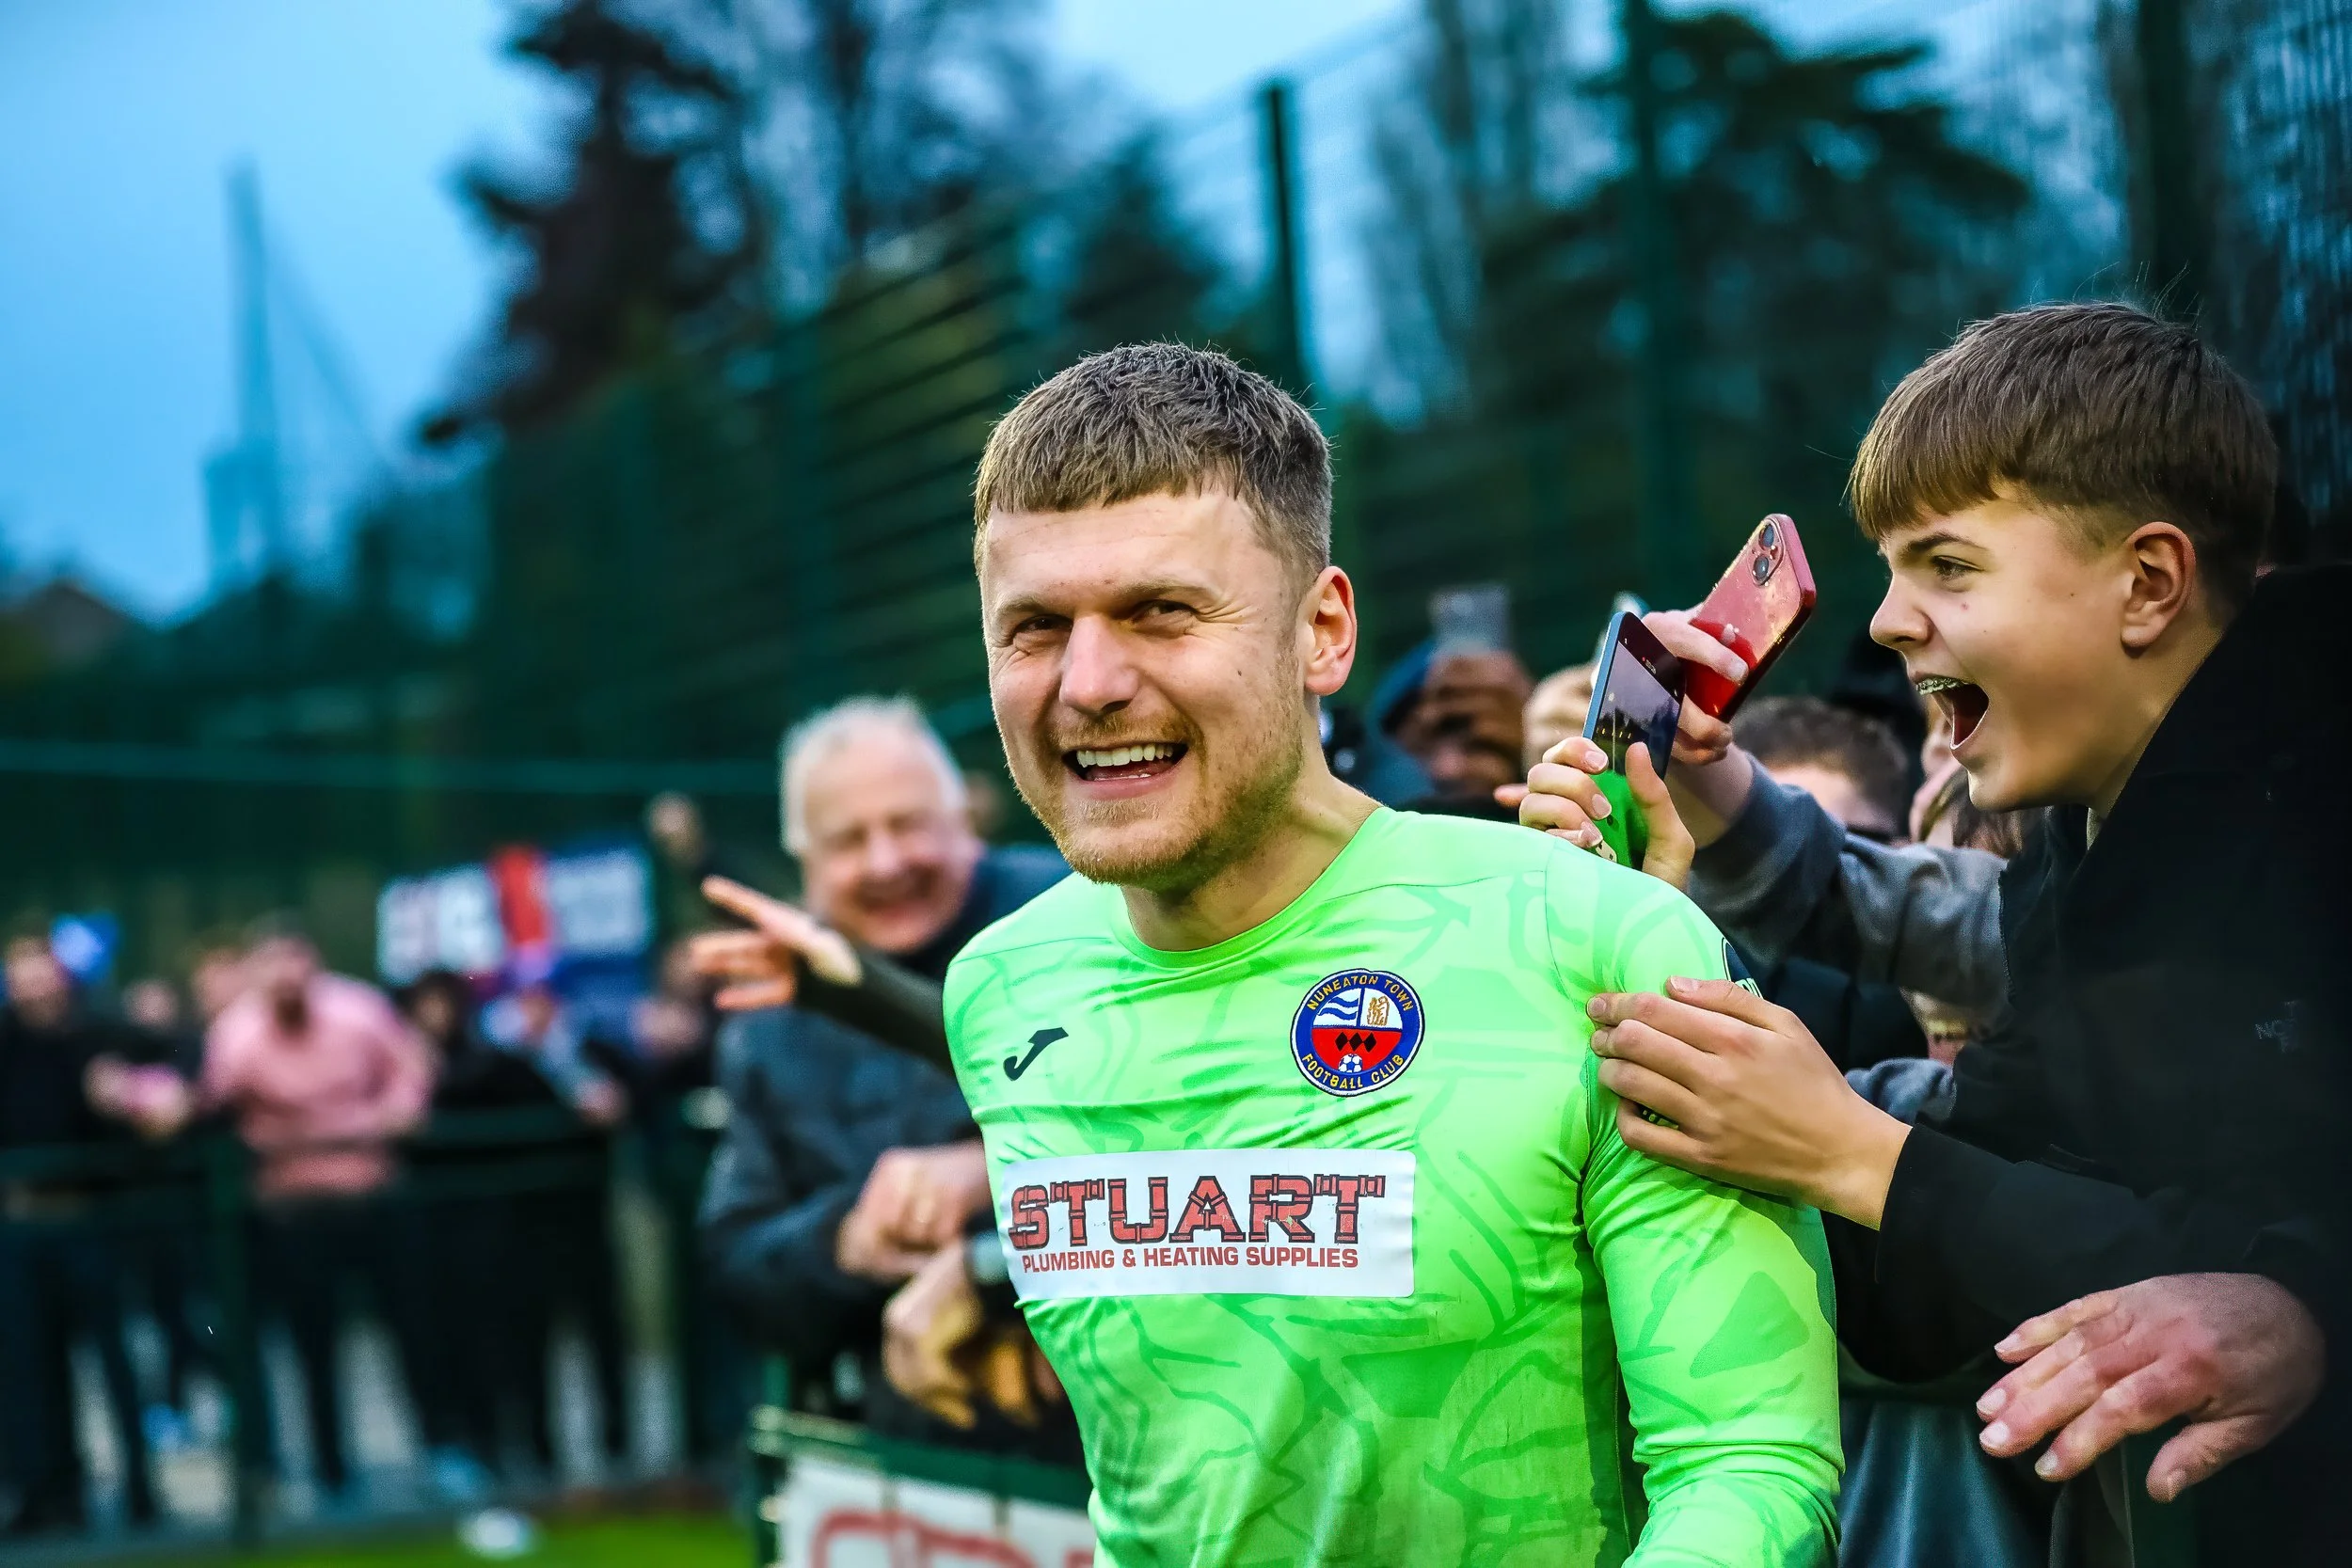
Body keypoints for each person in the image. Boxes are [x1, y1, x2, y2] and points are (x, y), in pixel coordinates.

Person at [924, 342, 1840, 1563]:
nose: (1089, 683)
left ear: (1324, 631)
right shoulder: (999, 990)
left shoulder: (1599, 936)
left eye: (1162, 611)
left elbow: (1750, 1459)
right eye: (1035, 628)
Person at [1517, 302, 2348, 1562]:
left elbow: (2229, 1229)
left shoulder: (2308, 825)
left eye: (1949, 566)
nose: (1888, 620)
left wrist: (1849, 1145)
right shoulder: (2091, 847)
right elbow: (2028, 1192)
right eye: (1894, 570)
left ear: (2149, 582)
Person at [693, 697, 1072, 1455]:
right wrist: (846, 1239)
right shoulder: (769, 1023)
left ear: (964, 816)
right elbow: (735, 1265)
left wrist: (993, 1179)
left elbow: (1178, 1132)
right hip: (889, 1463)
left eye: (908, 824)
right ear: (803, 862)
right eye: (849, 839)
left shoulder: (1076, 914)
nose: (886, 862)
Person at [195, 922, 434, 1500]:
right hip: (293, 1211)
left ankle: (438, 1450)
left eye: (295, 962)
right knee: (313, 1343)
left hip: (370, 1197)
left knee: (415, 1330)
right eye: (272, 965)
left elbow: (411, 1070)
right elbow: (215, 1104)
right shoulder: (237, 1033)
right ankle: (331, 1469)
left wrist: (396, 1112)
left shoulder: (360, 1010)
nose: (286, 977)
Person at [0, 936, 158, 1534]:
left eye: (42, 973)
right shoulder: (7, 1044)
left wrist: (133, 1096)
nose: (35, 986)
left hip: (92, 1220)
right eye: (22, 975)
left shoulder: (98, 1034)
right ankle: (51, 1495)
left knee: (116, 1362)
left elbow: (172, 1058)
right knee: (31, 1371)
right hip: (21, 1227)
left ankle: (143, 1490)